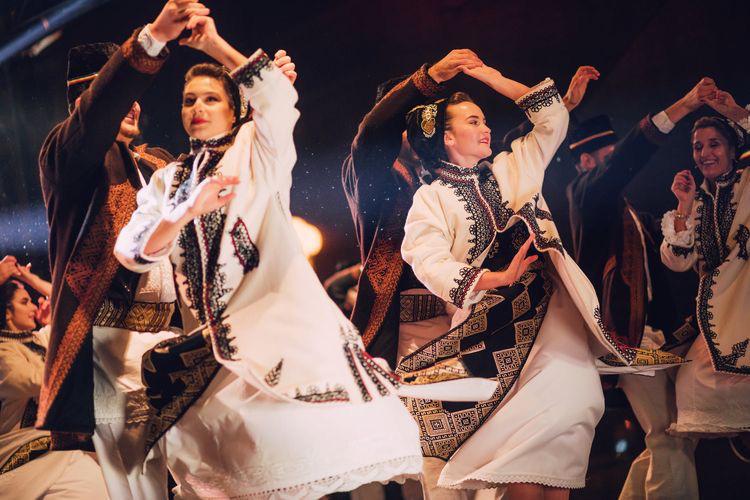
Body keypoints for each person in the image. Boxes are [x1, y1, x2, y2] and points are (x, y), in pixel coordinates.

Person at [112, 15, 475, 498]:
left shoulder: (257, 149)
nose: (197, 107)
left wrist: (214, 43)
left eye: (211, 98)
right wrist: (185, 212)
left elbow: (277, 101)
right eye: (189, 100)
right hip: (212, 351)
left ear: (236, 109)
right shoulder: (168, 182)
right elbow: (133, 252)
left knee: (295, 461)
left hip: (278, 334)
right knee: (224, 476)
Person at [398, 63, 681, 499]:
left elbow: (552, 117)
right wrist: (496, 277)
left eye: (485, 119)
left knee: (568, 431)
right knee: (525, 466)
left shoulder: (513, 168)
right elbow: (427, 259)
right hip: (496, 338)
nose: (486, 128)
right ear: (447, 138)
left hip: (557, 321)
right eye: (473, 122)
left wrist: (487, 75)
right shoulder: (430, 199)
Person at [37, 2, 207, 497]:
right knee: (134, 485)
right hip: (108, 353)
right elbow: (99, 110)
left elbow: (211, 174)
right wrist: (153, 38)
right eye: (123, 96)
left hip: (168, 345)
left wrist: (261, 106)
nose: (134, 106)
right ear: (84, 102)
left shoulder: (154, 163)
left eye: (137, 99)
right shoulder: (68, 155)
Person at [566, 79, 719, 500]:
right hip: (625, 339)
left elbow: (671, 247)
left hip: (652, 337)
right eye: (609, 157)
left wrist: (685, 207)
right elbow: (628, 158)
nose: (618, 165)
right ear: (585, 162)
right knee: (668, 434)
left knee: (675, 434)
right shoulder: (586, 197)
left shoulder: (627, 211)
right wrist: (684, 104)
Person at [342, 50, 483, 368]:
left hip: (456, 321)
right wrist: (432, 76)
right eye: (412, 123)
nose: (423, 131)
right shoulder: (374, 173)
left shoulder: (442, 175)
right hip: (401, 331)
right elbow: (373, 134)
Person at [660, 90, 750, 444]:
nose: (705, 153)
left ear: (732, 149)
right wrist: (683, 206)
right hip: (719, 316)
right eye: (698, 147)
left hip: (744, 306)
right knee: (690, 385)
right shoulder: (698, 201)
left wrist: (734, 111)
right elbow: (677, 262)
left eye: (714, 144)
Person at [0, 274, 108, 498]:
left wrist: (28, 278)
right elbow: (34, 380)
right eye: (24, 302)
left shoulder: (38, 340)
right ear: (7, 312)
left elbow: (73, 307)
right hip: (18, 453)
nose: (33, 307)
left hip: (54, 450)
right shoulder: (4, 351)